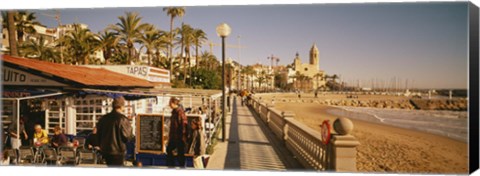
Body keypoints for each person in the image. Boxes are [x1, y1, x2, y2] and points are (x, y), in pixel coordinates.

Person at [96, 96, 133, 167]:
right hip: (118, 151)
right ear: (121, 106)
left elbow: (98, 134)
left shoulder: (104, 119)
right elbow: (127, 136)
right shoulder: (122, 119)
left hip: (106, 150)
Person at [166, 97, 188, 168]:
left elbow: (183, 125)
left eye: (170, 103)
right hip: (174, 137)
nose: (169, 104)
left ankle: (180, 168)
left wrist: (183, 137)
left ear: (173, 103)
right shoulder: (174, 112)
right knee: (169, 150)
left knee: (180, 154)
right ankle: (172, 166)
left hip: (179, 137)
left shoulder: (180, 112)